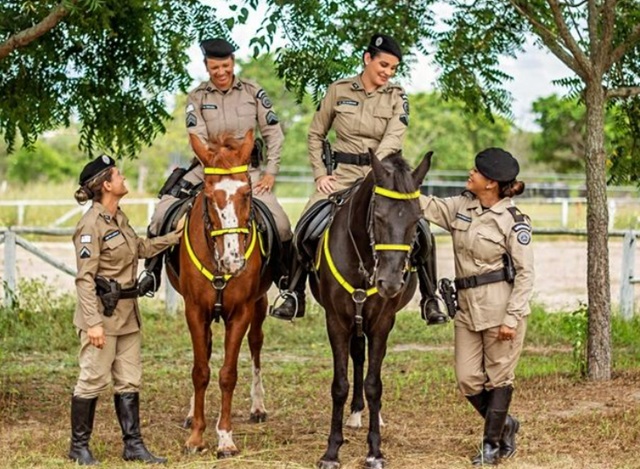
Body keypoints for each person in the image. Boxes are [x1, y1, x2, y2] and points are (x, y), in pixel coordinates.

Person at [270, 33, 446, 324]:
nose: (388, 73)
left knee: (420, 229)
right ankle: (294, 292)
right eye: (384, 65)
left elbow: (393, 138)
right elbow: (316, 134)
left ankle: (430, 298)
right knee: (306, 226)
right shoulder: (338, 91)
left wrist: (377, 173)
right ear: (368, 59)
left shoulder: (397, 97)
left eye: (393, 68)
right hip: (341, 176)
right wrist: (320, 174)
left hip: (383, 177)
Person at [140, 37, 292, 295]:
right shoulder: (197, 96)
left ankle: (285, 280)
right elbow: (196, 136)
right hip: (207, 168)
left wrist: (271, 171)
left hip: (246, 170)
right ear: (206, 67)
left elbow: (273, 133)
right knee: (160, 215)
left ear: (233, 62)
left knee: (280, 224)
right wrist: (211, 164)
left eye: (225, 65)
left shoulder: (253, 92)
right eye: (214, 68)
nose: (221, 72)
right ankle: (152, 273)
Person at [420, 148, 534, 466]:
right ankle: (506, 424)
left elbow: (525, 274)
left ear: (492, 184)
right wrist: (396, 181)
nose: (471, 173)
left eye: (477, 171)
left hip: (500, 308)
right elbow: (425, 205)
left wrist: (512, 317)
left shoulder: (513, 221)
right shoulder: (461, 206)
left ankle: (491, 445)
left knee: (499, 377)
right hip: (466, 308)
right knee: (468, 378)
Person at [69, 154, 184, 465]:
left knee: (129, 380)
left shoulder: (119, 218)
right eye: (118, 175)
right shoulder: (90, 225)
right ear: (106, 184)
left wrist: (174, 238)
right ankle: (78, 448)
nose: (123, 178)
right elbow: (84, 279)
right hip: (102, 318)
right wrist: (92, 323)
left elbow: (141, 249)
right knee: (92, 379)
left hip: (127, 316)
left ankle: (133, 446)